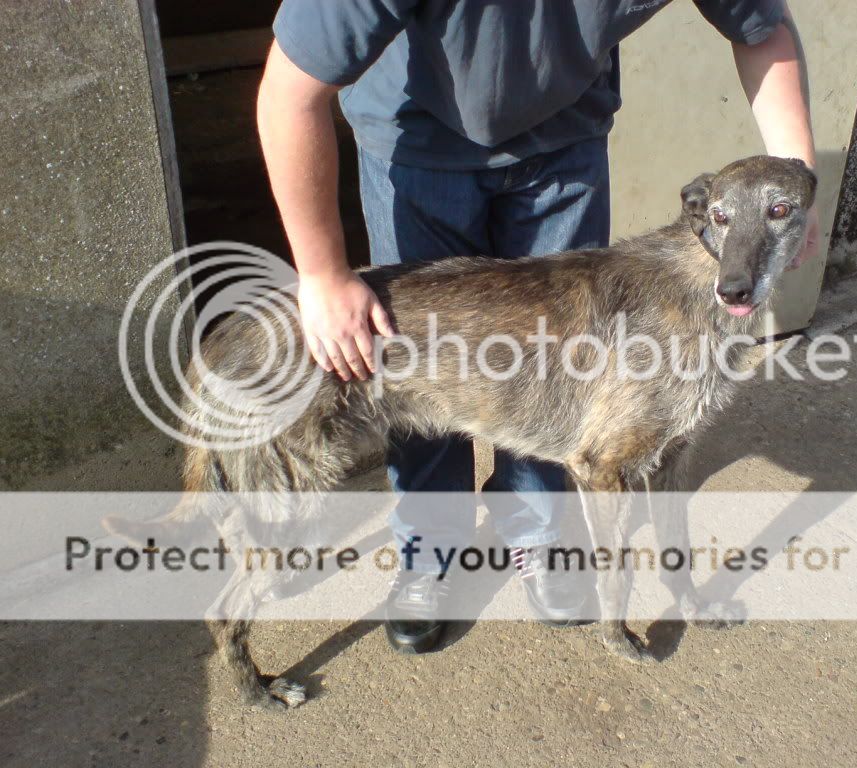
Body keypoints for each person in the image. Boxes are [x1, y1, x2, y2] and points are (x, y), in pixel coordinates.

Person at [257, 0, 819, 654]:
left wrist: (796, 190)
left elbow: (761, 27)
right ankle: (431, 547)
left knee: (563, 376)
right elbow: (287, 97)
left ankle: (536, 530)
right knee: (424, 362)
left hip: (564, 140)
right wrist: (323, 274)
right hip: (416, 141)